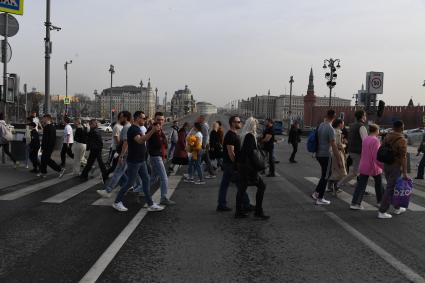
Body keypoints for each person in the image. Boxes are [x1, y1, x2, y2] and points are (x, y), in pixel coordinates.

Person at [112, 111, 163, 212]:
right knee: (130, 182)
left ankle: (150, 203)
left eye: (145, 118)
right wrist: (152, 131)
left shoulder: (138, 128)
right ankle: (117, 202)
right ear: (137, 118)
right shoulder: (133, 129)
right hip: (134, 161)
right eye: (143, 118)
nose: (145, 120)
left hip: (141, 160)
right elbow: (140, 140)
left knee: (146, 180)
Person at [236, 117, 269, 220]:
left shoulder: (243, 135)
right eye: (255, 125)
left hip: (243, 166)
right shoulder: (250, 136)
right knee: (261, 186)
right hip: (249, 168)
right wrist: (258, 167)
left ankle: (239, 211)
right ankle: (258, 211)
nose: (256, 127)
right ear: (252, 126)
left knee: (242, 189)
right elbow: (251, 154)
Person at [217, 115, 251, 212]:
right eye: (238, 121)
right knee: (240, 184)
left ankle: (221, 204)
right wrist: (237, 165)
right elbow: (231, 152)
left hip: (228, 164)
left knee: (225, 184)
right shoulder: (230, 135)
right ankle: (246, 204)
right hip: (231, 164)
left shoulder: (234, 134)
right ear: (233, 123)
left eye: (240, 121)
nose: (240, 123)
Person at [378, 120, 409, 219]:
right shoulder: (402, 139)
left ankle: (397, 207)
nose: (404, 128)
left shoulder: (387, 136)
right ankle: (382, 211)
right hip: (395, 166)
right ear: (400, 128)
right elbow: (403, 157)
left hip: (387, 164)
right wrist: (404, 172)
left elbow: (382, 148)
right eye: (403, 126)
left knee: (393, 187)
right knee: (390, 188)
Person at [97, 111, 133, 197]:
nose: (119, 119)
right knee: (139, 174)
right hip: (130, 153)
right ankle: (130, 186)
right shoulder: (129, 126)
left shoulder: (126, 128)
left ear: (125, 118)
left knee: (118, 172)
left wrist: (121, 155)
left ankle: (108, 190)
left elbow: (125, 142)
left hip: (125, 154)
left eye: (120, 117)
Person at [350, 124, 384, 210]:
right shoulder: (375, 140)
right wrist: (383, 166)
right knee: (379, 184)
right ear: (376, 131)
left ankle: (355, 203)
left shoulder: (365, 139)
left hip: (364, 164)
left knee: (361, 185)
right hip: (373, 166)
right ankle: (381, 202)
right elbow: (376, 156)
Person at [311, 110, 340, 205]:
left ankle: (316, 193)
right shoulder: (330, 128)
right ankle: (320, 198)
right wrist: (338, 158)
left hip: (319, 154)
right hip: (326, 155)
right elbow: (334, 145)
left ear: (326, 115)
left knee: (324, 175)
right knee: (326, 176)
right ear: (334, 117)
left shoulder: (321, 125)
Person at [148, 112, 175, 205]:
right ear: (154, 119)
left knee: (153, 178)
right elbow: (151, 142)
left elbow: (165, 144)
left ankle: (138, 190)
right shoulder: (152, 129)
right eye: (158, 119)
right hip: (155, 156)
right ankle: (163, 198)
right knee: (164, 178)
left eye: (162, 119)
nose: (160, 121)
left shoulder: (160, 130)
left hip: (160, 156)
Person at [336, 110, 368, 190]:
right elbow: (365, 141)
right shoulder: (362, 127)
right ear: (362, 116)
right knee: (355, 172)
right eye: (365, 115)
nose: (365, 117)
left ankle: (359, 185)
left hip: (352, 150)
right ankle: (338, 184)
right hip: (359, 152)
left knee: (363, 170)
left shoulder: (353, 126)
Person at [328, 119, 347, 195]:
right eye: (343, 124)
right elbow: (338, 145)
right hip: (337, 153)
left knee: (335, 171)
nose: (343, 125)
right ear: (339, 124)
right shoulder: (338, 133)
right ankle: (335, 188)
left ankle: (330, 186)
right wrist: (345, 145)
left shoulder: (333, 131)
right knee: (339, 171)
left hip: (331, 152)